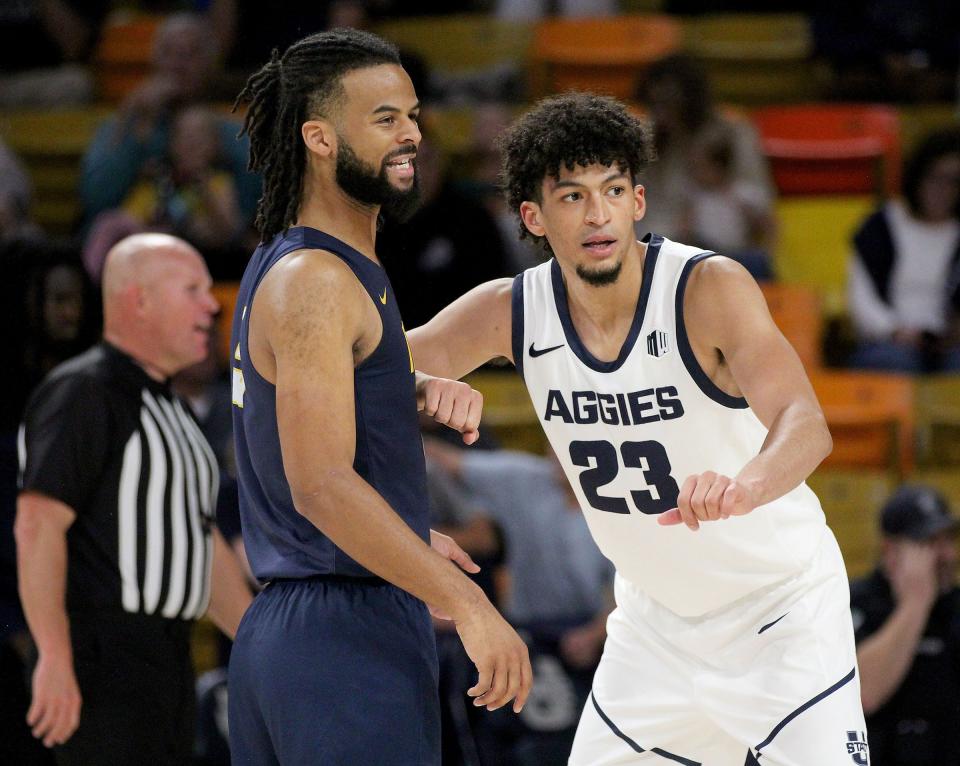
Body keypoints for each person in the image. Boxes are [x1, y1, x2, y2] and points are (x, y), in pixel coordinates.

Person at [409, 92, 867, 765]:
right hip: (656, 629)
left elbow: (805, 423)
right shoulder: (510, 311)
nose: (598, 215)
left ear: (638, 201)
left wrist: (747, 484)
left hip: (780, 614)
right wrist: (419, 387)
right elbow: (357, 377)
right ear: (533, 215)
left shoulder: (706, 288)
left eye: (613, 190)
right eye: (572, 197)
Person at [228, 29, 531, 765]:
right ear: (319, 137)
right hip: (338, 639)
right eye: (386, 118)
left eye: (414, 115)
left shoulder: (303, 264)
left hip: (308, 630)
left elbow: (292, 426)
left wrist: (406, 398)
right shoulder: (317, 281)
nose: (412, 135)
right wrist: (470, 604)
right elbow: (322, 484)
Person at [15, 232, 253, 765]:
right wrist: (53, 654)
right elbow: (37, 524)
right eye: (191, 289)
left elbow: (197, 538)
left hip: (166, 661)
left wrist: (260, 649)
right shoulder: (84, 391)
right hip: (97, 658)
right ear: (139, 301)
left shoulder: (174, 412)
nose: (211, 304)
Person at [79, 13, 260, 228]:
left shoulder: (230, 133)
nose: (178, 63)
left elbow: (255, 204)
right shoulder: (122, 126)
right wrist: (136, 123)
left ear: (211, 64)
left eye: (191, 53)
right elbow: (96, 200)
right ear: (153, 61)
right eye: (169, 52)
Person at [850, 484, 960, 765]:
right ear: (891, 551)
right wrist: (915, 604)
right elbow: (864, 694)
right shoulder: (857, 601)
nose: (946, 555)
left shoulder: (953, 606)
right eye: (929, 544)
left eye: (948, 540)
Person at [847, 127, 960, 373]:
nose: (944, 190)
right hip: (889, 339)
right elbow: (861, 301)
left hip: (948, 344)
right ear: (918, 176)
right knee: (894, 362)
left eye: (954, 181)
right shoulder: (879, 227)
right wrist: (894, 330)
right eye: (936, 178)